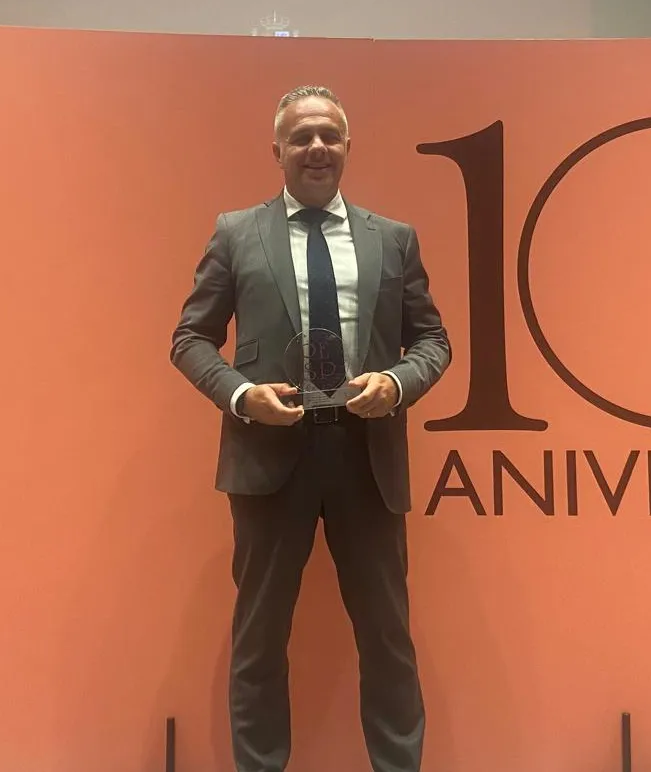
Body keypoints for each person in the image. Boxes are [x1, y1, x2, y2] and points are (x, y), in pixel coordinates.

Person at [170, 85, 452, 772]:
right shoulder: (236, 233)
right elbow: (190, 339)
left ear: (348, 146)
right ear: (278, 151)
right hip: (269, 456)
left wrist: (397, 384)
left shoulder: (394, 239)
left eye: (329, 135)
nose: (316, 147)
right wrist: (242, 396)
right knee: (260, 640)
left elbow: (433, 342)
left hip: (366, 455)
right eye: (301, 137)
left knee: (387, 639)